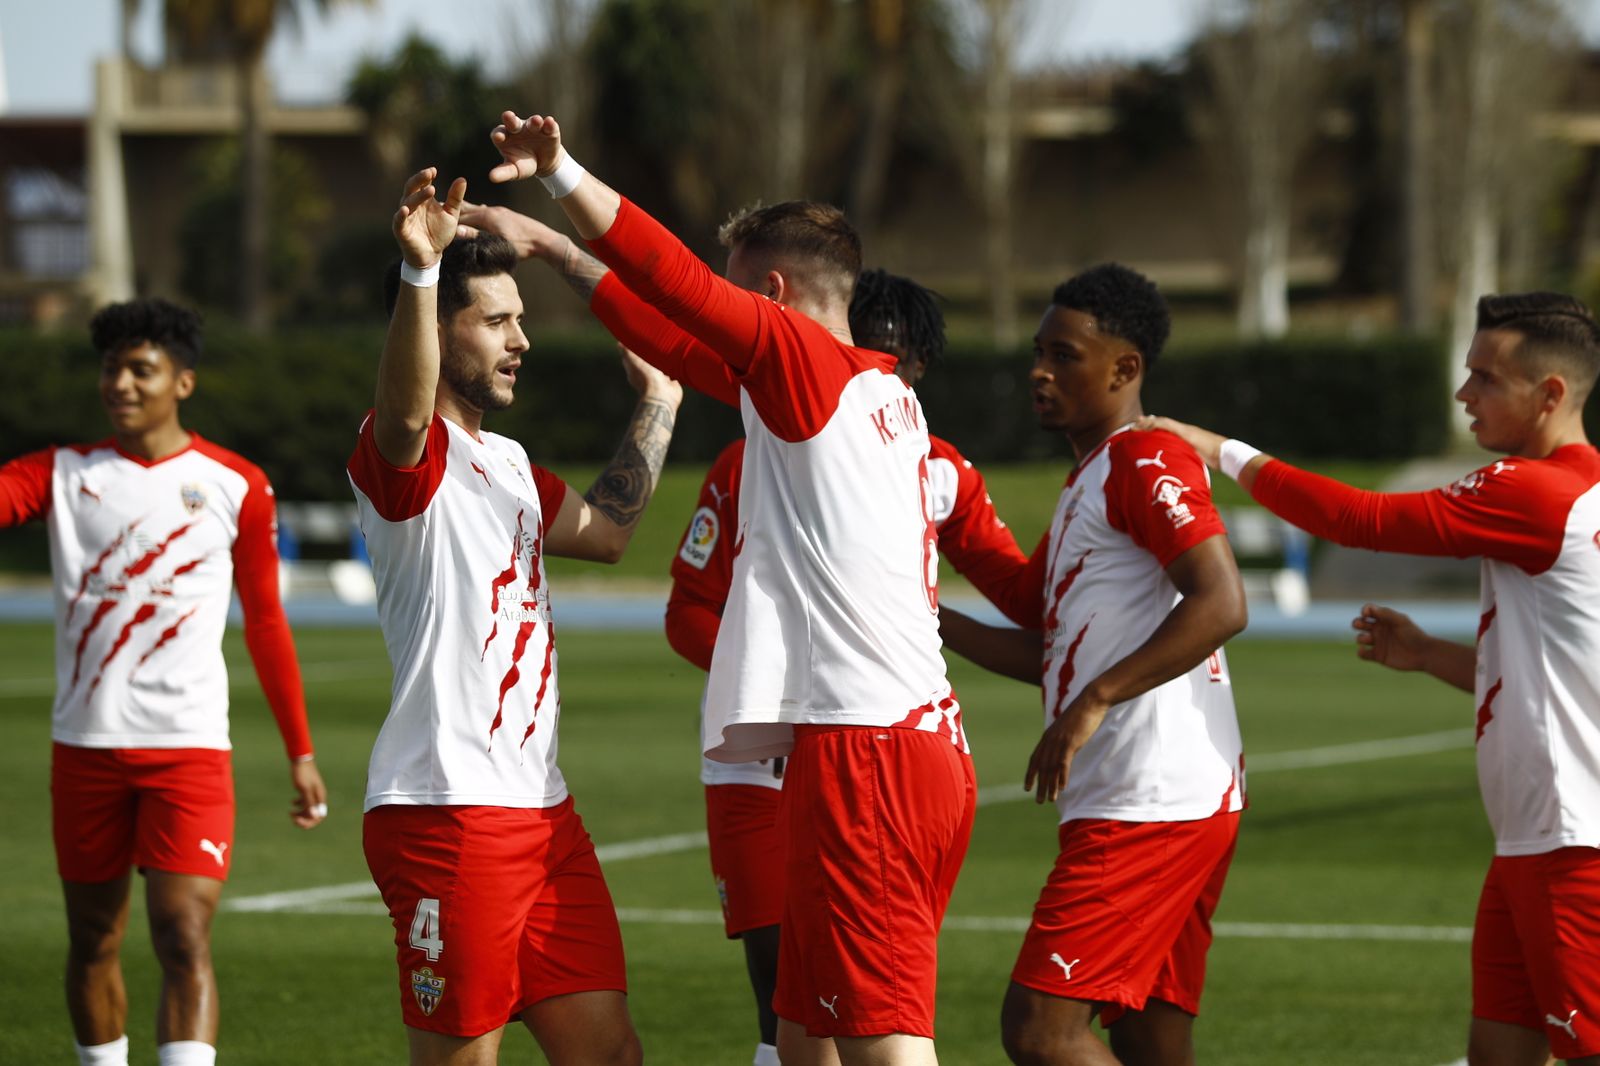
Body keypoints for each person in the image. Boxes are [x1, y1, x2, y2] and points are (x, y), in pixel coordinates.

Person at [487, 112, 974, 1066]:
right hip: (890, 742)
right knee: (802, 1041)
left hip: (870, 748)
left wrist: (561, 175)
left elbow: (673, 284)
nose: (727, 308)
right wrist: (550, 249)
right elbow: (664, 330)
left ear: (776, 294)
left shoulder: (802, 364)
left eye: (742, 292)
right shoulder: (877, 390)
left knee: (883, 1047)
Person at [1145, 291, 1600, 1066]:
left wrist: (1220, 449)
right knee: (1499, 1052)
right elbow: (1553, 674)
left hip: (1570, 840)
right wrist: (1429, 656)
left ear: (1551, 394)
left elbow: (1361, 519)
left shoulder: (1535, 492)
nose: (1465, 395)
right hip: (1536, 836)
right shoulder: (1576, 494)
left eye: (1486, 379)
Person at [351, 166, 682, 1066]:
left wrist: (660, 402)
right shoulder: (402, 457)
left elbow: (608, 532)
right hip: (448, 809)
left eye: (521, 319)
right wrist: (421, 270)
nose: (521, 341)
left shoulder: (509, 461)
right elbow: (408, 409)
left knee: (610, 1053)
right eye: (496, 321)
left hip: (540, 807)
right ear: (435, 328)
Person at [0, 298, 328, 1066]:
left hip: (187, 751)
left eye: (139, 369)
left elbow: (267, 623)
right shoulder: (62, 473)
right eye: (111, 368)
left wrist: (301, 751)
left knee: (182, 933)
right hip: (84, 748)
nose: (120, 383)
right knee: (93, 939)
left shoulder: (236, 484)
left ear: (182, 382)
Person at [938, 265, 1248, 1066]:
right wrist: (925, 615)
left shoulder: (1145, 459)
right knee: (1147, 1037)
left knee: (1042, 1032)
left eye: (1064, 354)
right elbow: (1044, 643)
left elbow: (1220, 603)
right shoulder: (1093, 476)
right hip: (1164, 793)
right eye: (1039, 353)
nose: (1040, 371)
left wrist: (1096, 700)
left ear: (1125, 369)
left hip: (1152, 797)